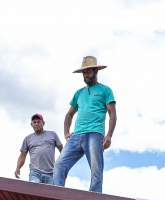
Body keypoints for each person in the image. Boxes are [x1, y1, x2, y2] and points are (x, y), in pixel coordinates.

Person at [52, 56, 117, 193]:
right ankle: (57, 193)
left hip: (95, 134)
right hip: (77, 135)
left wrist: (109, 135)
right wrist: (66, 132)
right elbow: (69, 114)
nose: (85, 75)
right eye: (83, 73)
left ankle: (95, 197)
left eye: (88, 71)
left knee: (96, 168)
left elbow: (112, 114)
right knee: (59, 165)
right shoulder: (79, 93)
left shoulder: (105, 90)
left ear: (95, 71)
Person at [16, 113, 63, 184]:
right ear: (31, 124)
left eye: (38, 122)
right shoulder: (27, 139)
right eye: (34, 122)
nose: (36, 124)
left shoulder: (53, 135)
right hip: (35, 173)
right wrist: (18, 168)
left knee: (50, 193)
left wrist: (61, 166)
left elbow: (62, 150)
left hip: (50, 173)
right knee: (34, 189)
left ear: (43, 123)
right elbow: (22, 156)